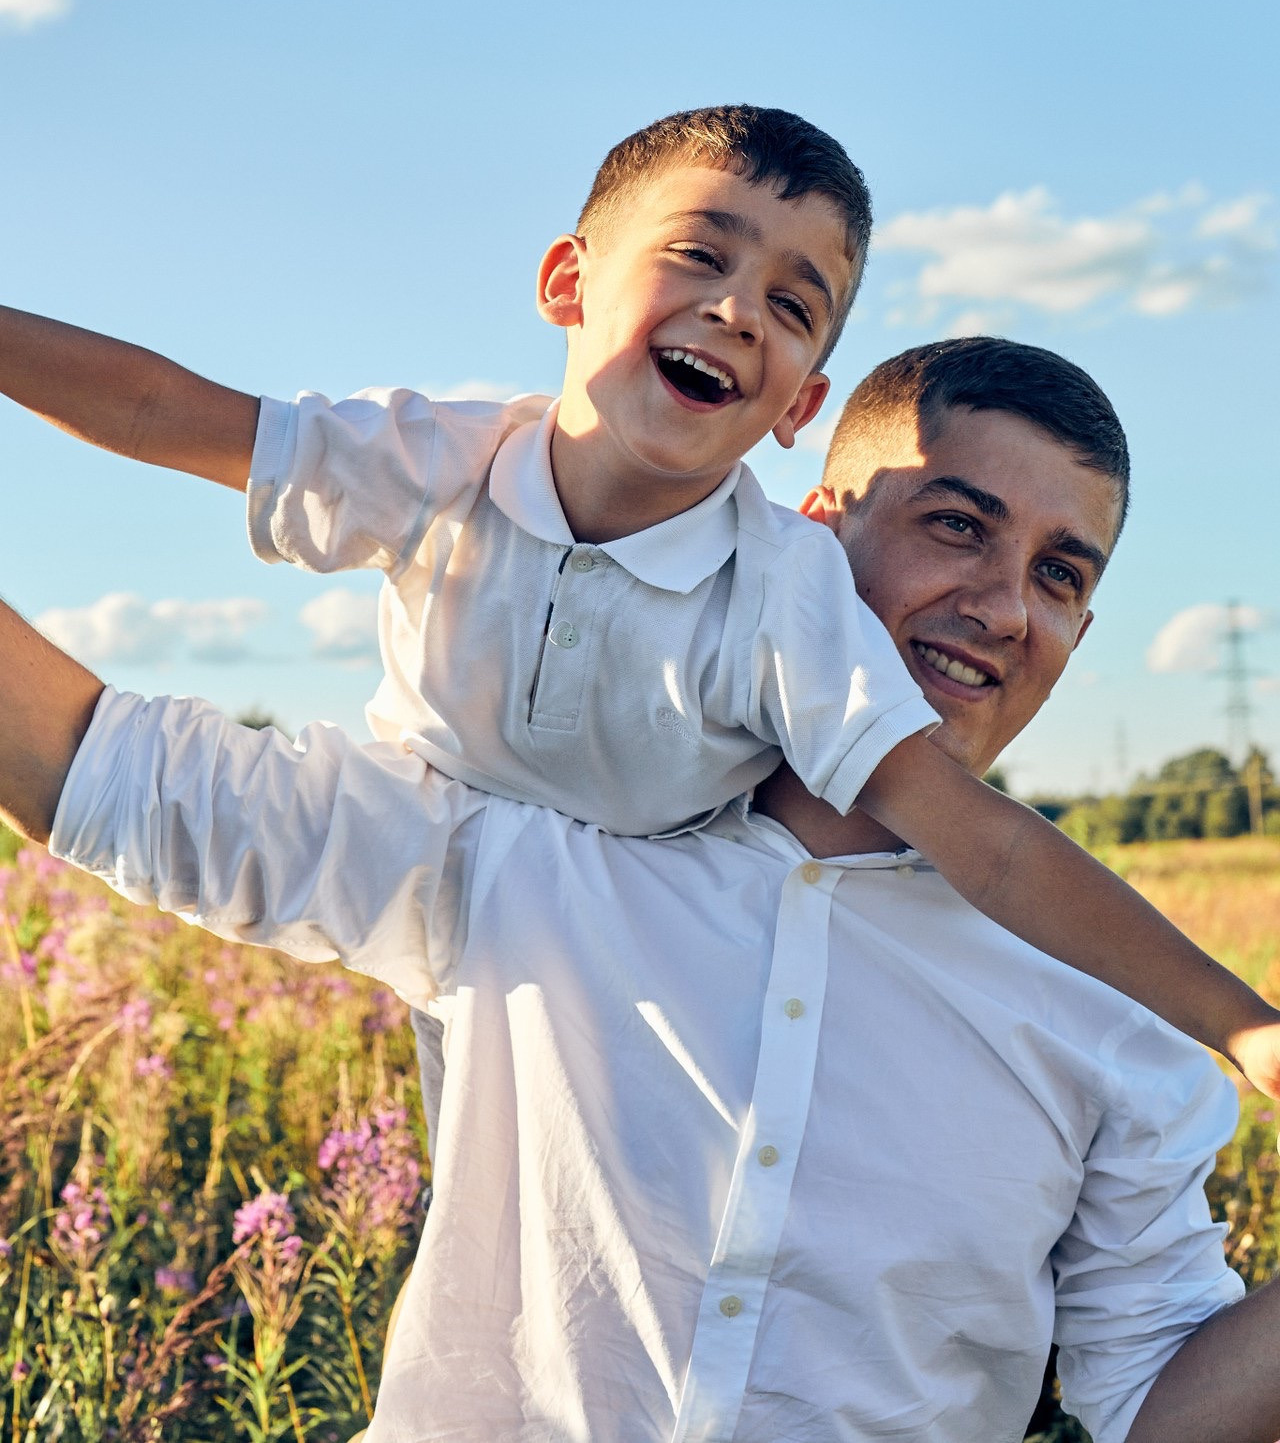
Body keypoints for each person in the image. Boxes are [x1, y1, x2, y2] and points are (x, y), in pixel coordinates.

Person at [4, 337, 1280, 1442]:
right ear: (812, 530)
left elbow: (1154, 1406)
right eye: (958, 524)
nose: (1003, 606)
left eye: (1060, 574)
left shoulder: (1120, 1010)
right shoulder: (524, 837)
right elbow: (102, 768)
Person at [2, 105, 1279, 1088]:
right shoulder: (441, 457)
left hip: (648, 920)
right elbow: (176, 411)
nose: (736, 308)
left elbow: (984, 836)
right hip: (417, 821)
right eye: (698, 256)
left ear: (797, 407)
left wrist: (1243, 1025)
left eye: (792, 304)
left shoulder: (783, 593)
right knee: (128, 779)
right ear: (565, 283)